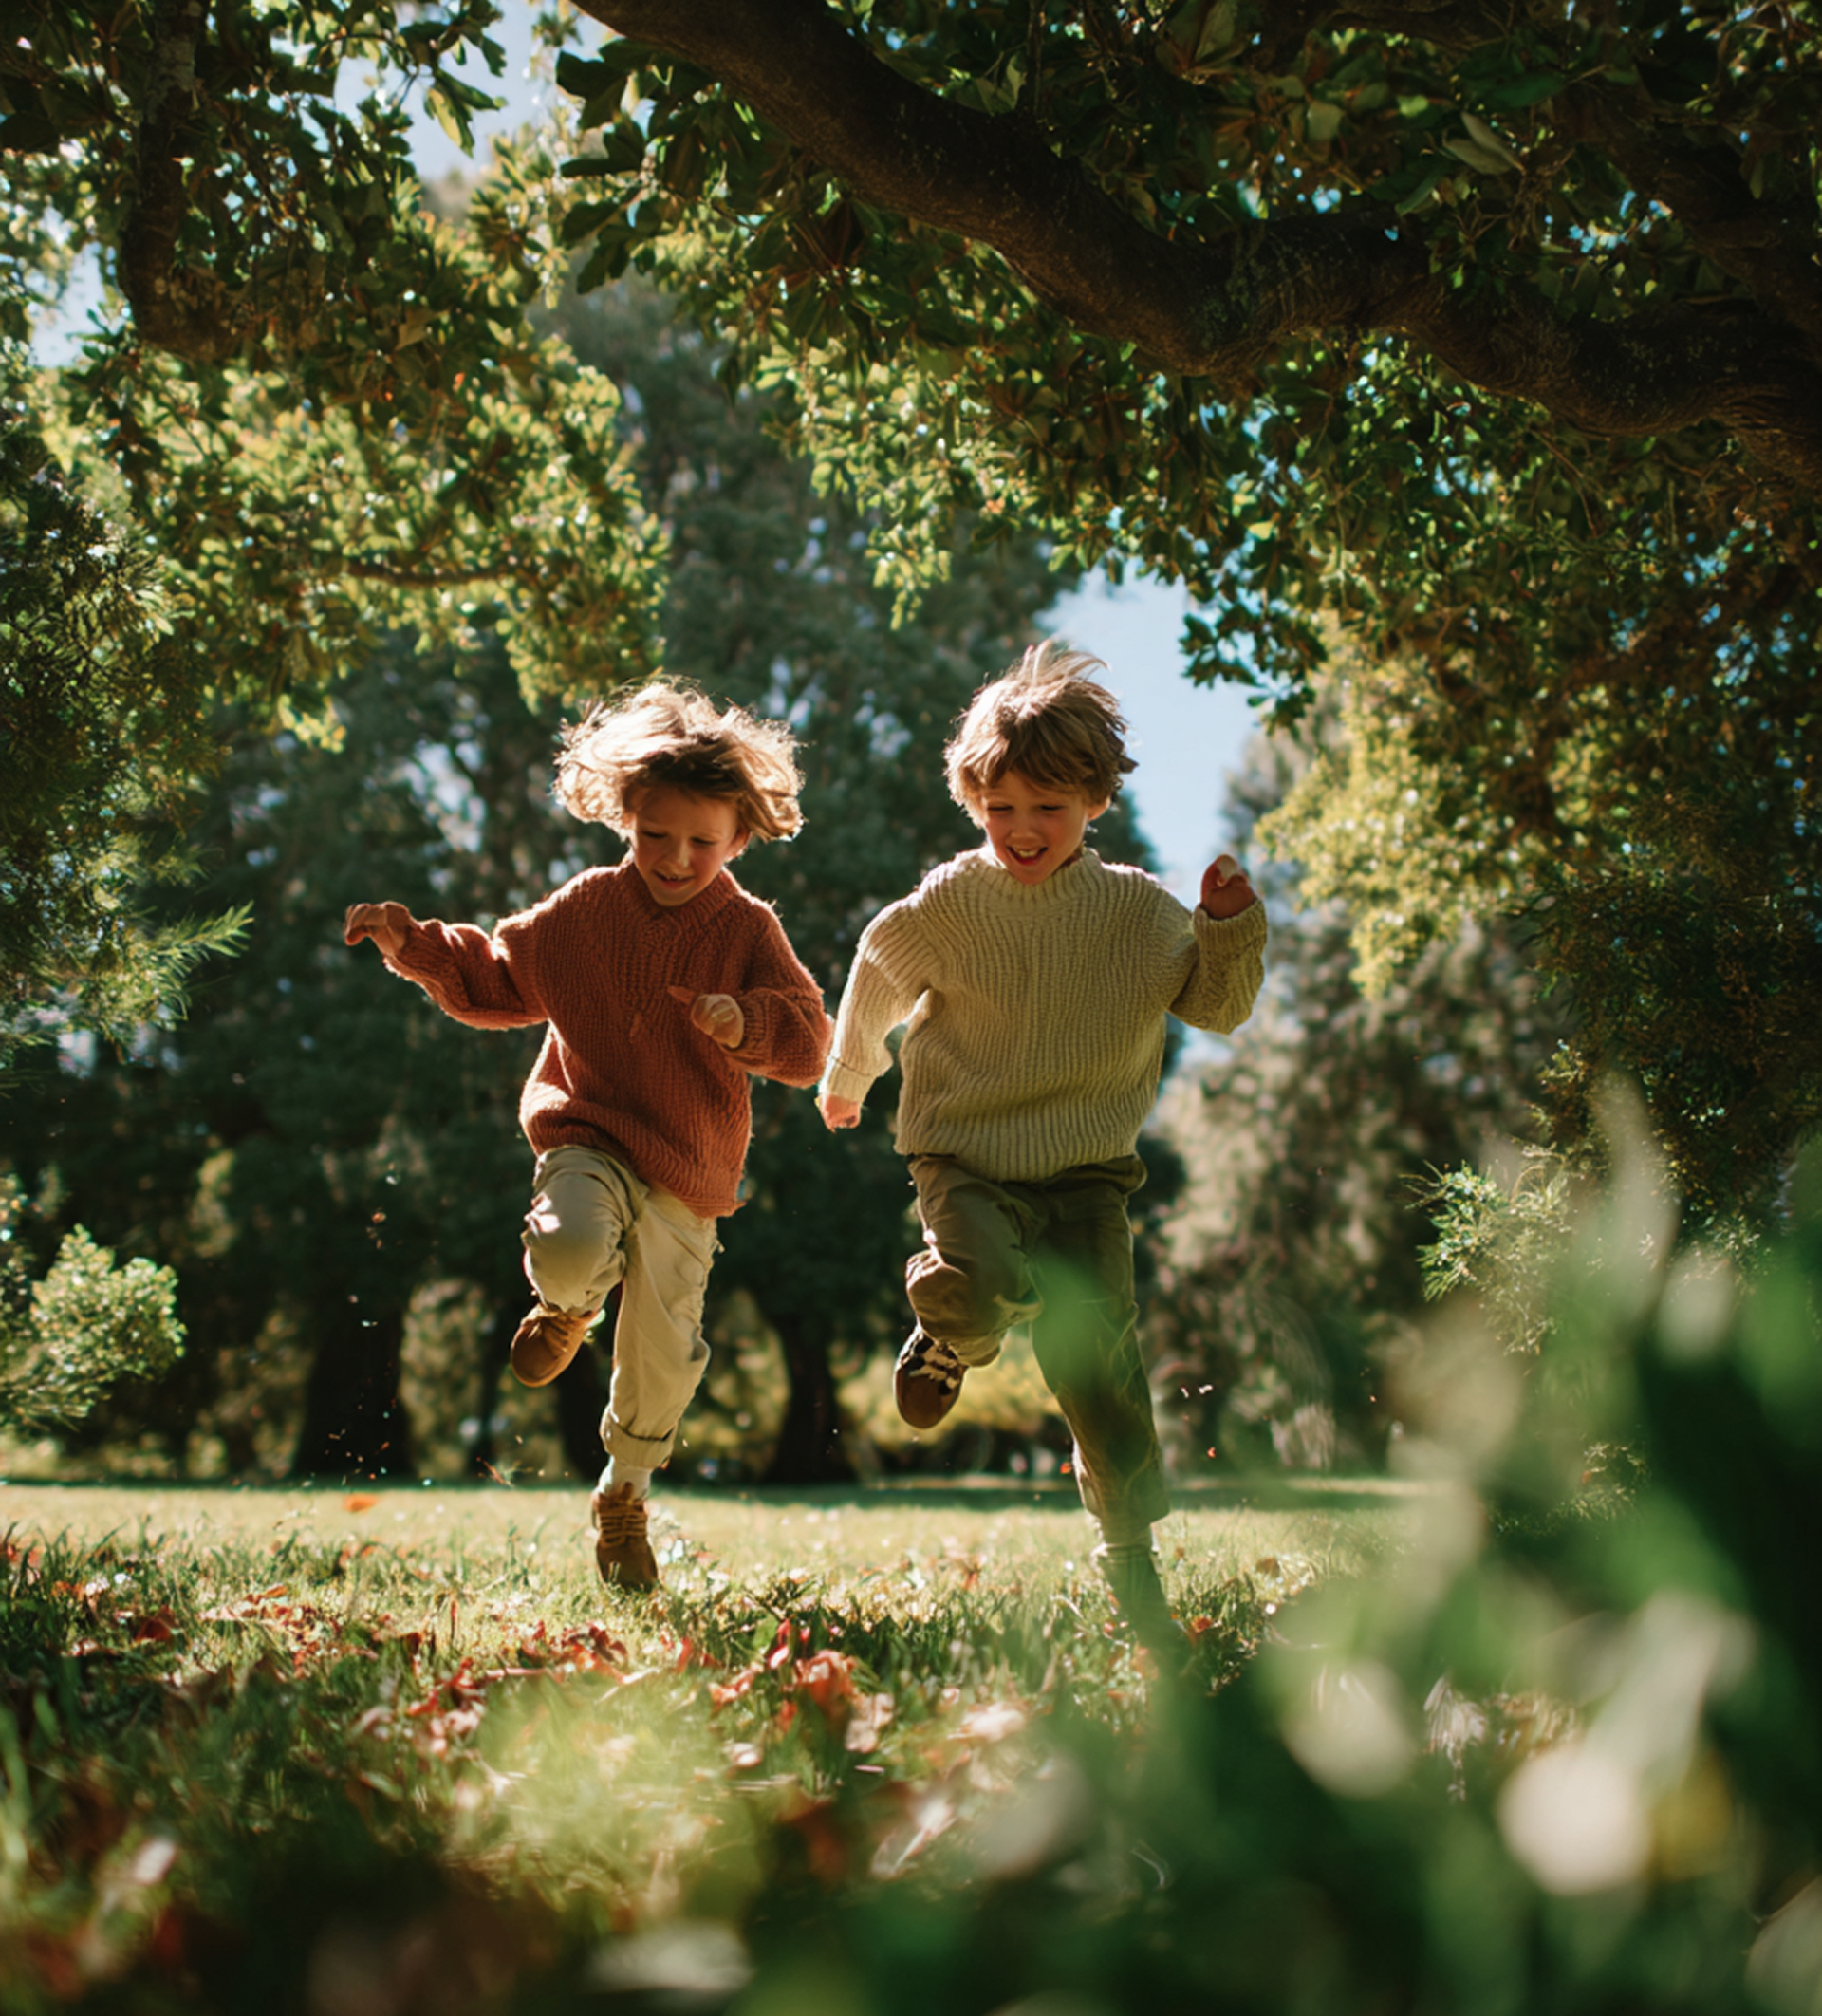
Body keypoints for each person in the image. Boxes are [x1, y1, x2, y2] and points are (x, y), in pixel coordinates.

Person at [817, 642, 1266, 1656]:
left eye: (1048, 809)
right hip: (964, 1155)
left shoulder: (1141, 916)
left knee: (1101, 1360)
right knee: (978, 1280)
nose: (1021, 830)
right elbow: (880, 967)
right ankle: (949, 1337)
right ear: (974, 797)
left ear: (1096, 802)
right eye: (1002, 807)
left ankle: (1130, 1554)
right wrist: (850, 1076)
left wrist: (1230, 929)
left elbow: (1216, 1007)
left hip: (1087, 1178)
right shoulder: (949, 904)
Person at [345, 682, 831, 1591]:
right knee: (569, 1245)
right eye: (655, 836)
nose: (676, 858)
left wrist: (747, 1023)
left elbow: (809, 1041)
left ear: (739, 838)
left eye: (702, 842)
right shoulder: (584, 913)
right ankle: (567, 1307)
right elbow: (497, 974)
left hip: (690, 1168)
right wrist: (412, 945)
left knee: (664, 1349)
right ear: (624, 819)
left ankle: (624, 1493)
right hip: (589, 1133)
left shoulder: (749, 930)